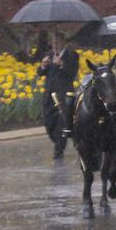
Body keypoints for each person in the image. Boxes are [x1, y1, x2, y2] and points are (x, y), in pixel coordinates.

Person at [36, 31, 78, 159]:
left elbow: (73, 73)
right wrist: (43, 66)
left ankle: (59, 149)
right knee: (48, 122)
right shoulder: (48, 55)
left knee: (61, 122)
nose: (54, 45)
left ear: (63, 42)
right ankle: (58, 141)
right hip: (49, 95)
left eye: (57, 42)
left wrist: (62, 64)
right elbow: (40, 73)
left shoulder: (72, 55)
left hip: (64, 94)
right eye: (53, 42)